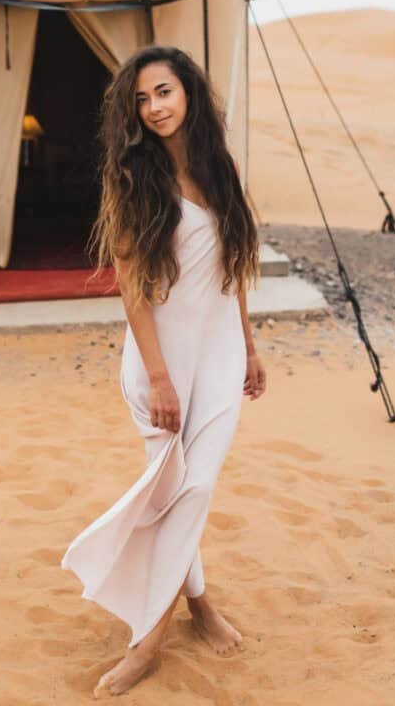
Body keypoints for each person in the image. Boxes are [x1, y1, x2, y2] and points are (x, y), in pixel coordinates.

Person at [60, 45, 267, 697]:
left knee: (194, 489)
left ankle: (168, 623)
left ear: (189, 94)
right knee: (179, 490)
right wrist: (158, 378)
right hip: (159, 363)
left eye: (165, 93)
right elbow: (132, 287)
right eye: (143, 99)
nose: (154, 108)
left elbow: (232, 269)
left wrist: (250, 346)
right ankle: (165, 629)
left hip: (220, 355)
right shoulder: (131, 176)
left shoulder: (220, 168)